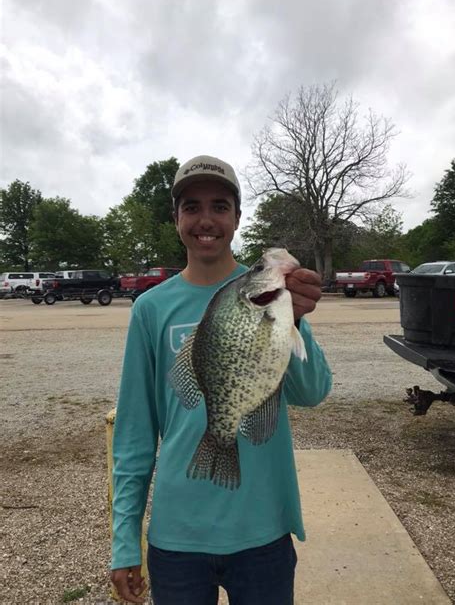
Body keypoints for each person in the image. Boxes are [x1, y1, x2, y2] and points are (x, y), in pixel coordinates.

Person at [110, 155, 332, 604]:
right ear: (176, 219)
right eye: (191, 207)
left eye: (219, 206)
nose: (205, 219)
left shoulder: (271, 296)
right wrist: (124, 540)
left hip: (263, 528)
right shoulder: (150, 309)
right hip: (177, 535)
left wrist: (296, 321)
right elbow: (134, 434)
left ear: (236, 218)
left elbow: (312, 394)